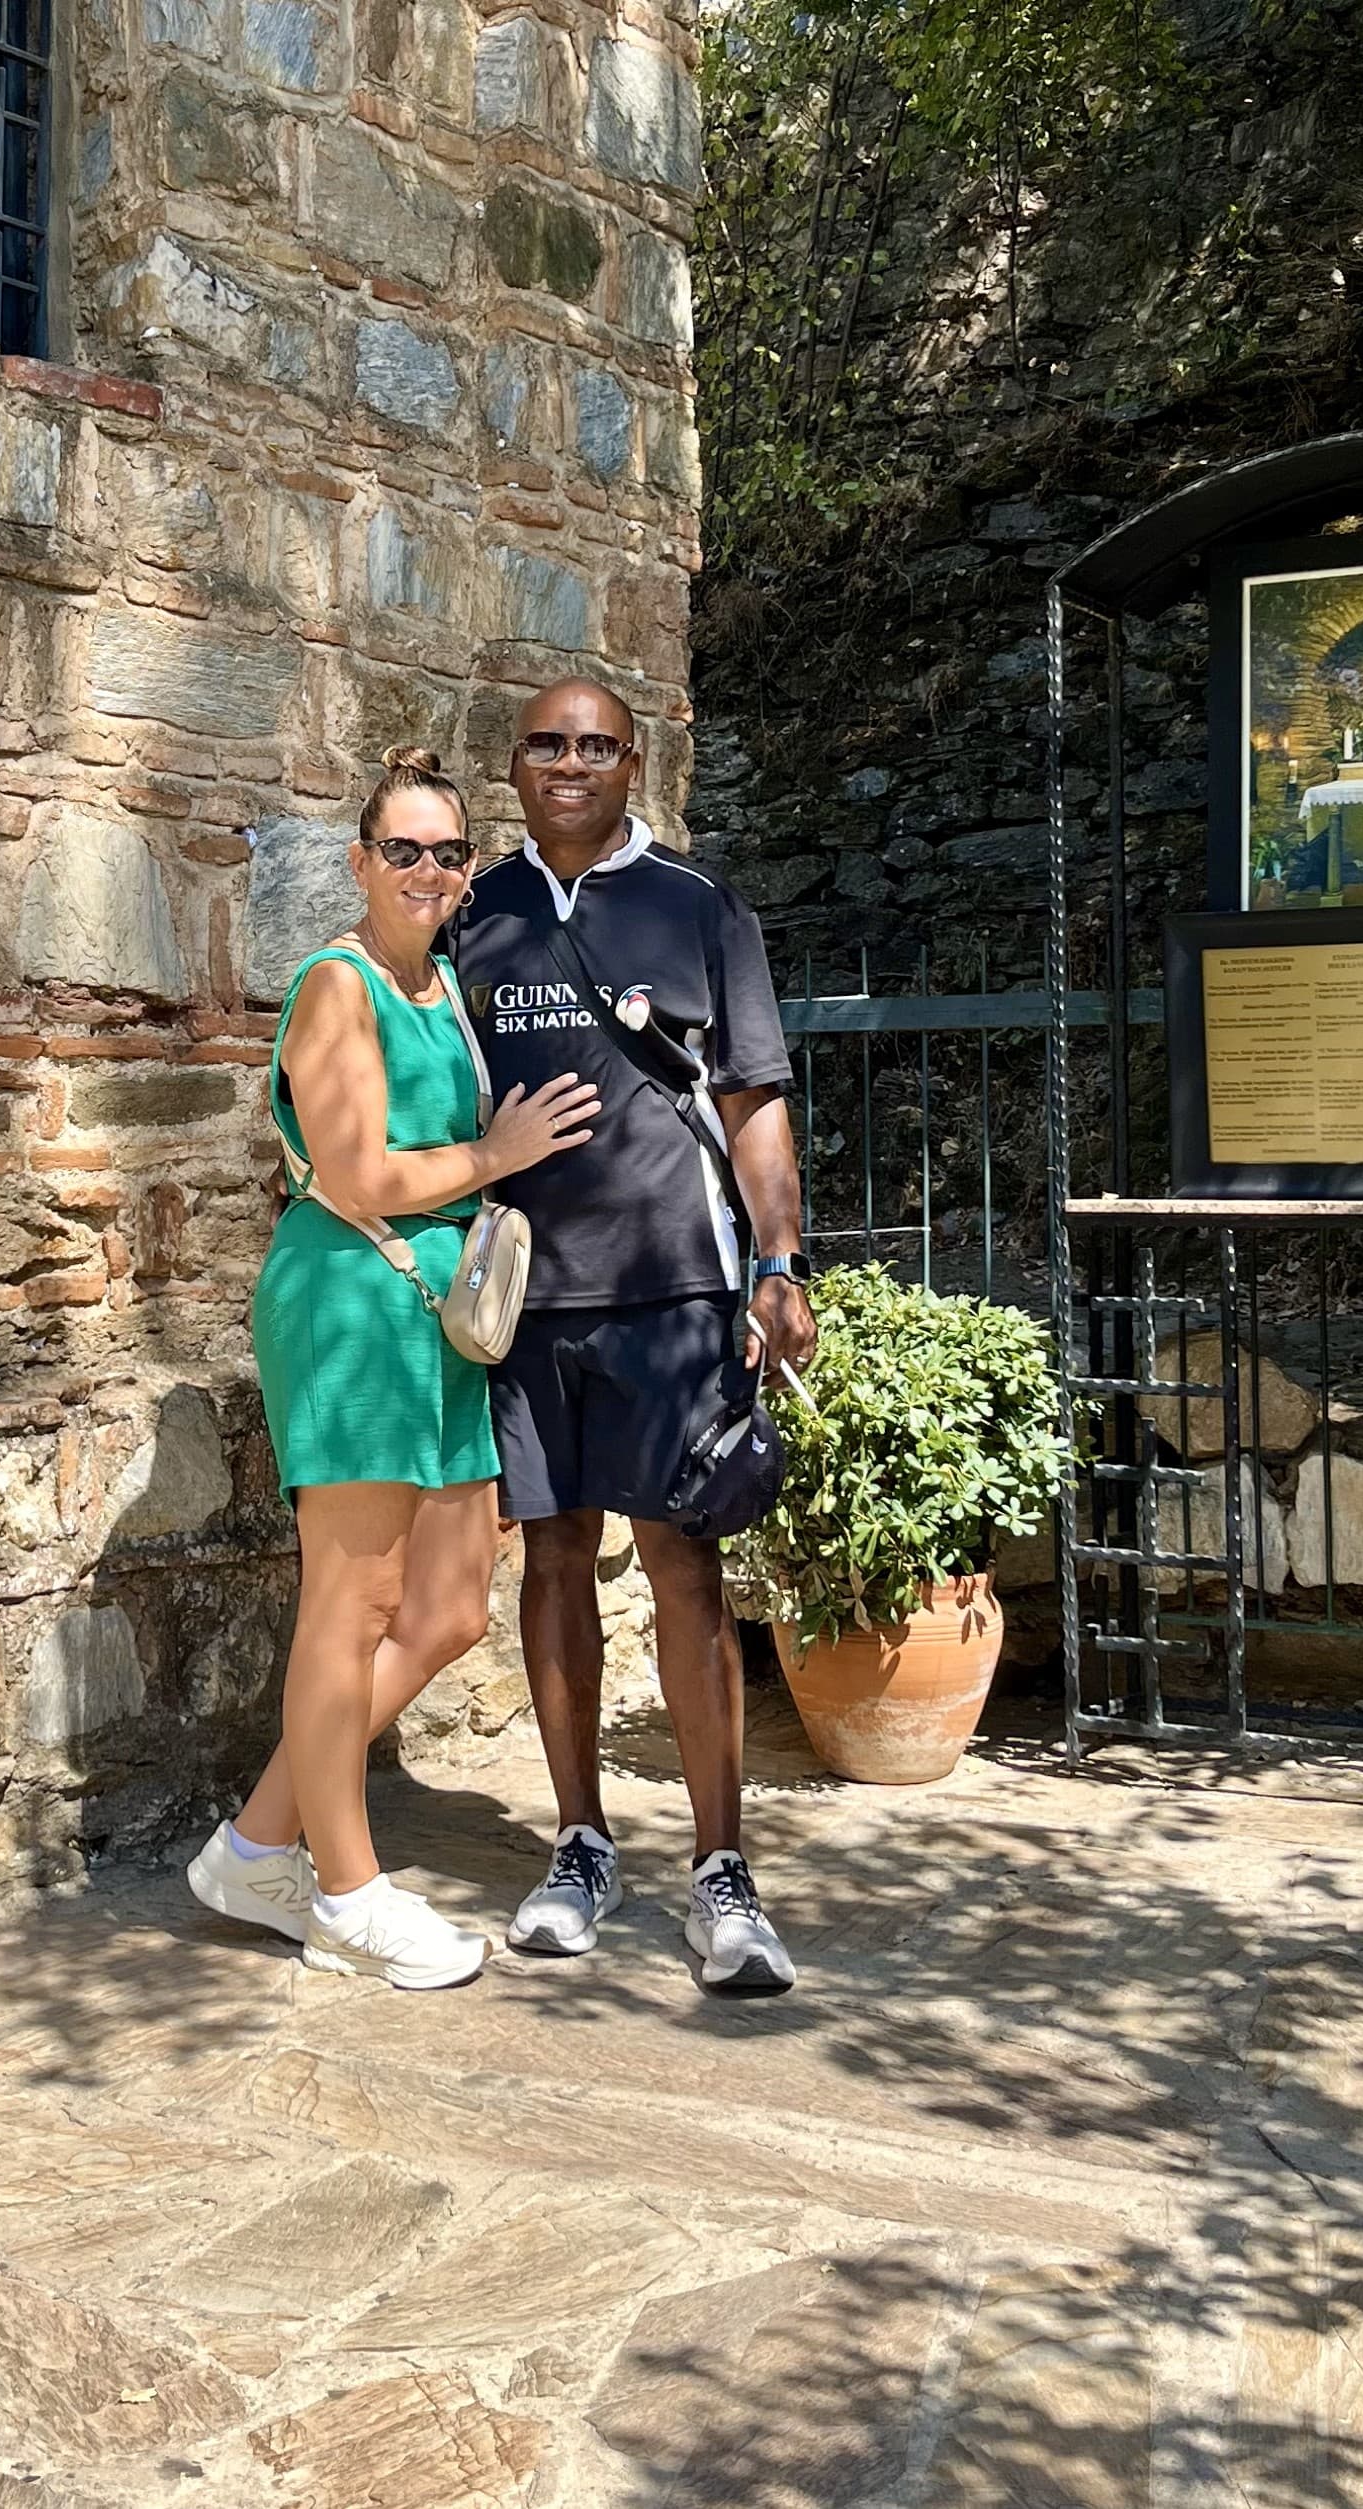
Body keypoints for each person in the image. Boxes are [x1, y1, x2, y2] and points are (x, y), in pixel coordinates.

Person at [186, 747, 600, 1990]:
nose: (426, 870)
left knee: (448, 1608)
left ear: (466, 872)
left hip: (441, 1310)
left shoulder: (444, 990)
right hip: (354, 1307)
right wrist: (497, 1150)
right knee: (351, 1607)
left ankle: (258, 1843)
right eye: (402, 850)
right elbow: (359, 1173)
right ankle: (346, 1895)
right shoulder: (338, 986)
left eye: (446, 852)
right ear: (361, 864)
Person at [445, 679, 817, 1995]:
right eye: (548, 743)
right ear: (516, 762)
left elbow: (754, 1096)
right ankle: (581, 1842)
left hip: (673, 1293)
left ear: (631, 761)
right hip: (529, 1301)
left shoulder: (698, 907)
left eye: (596, 745)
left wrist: (776, 1265)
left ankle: (722, 1871)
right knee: (548, 1565)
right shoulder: (470, 912)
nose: (570, 762)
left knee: (684, 1569)